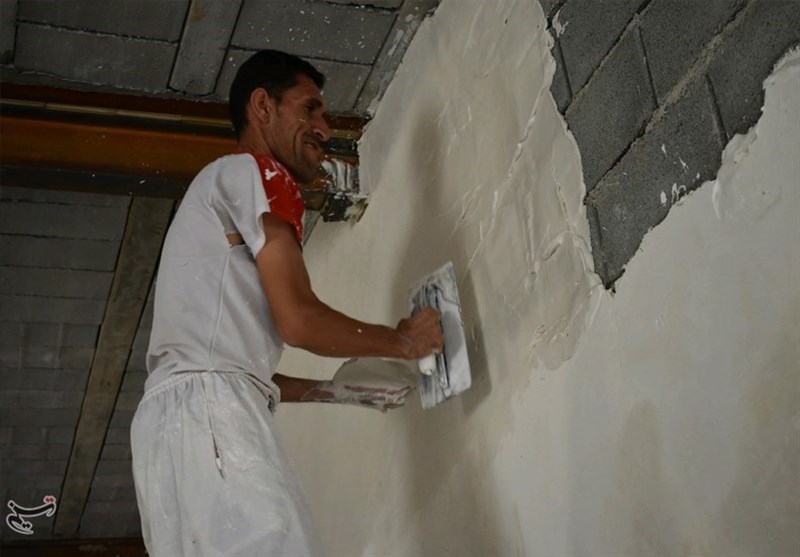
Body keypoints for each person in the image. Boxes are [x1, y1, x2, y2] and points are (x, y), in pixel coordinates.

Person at [130, 50, 443, 556]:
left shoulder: (217, 190)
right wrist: (405, 342)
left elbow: (234, 366)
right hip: (207, 414)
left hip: (170, 434)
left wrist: (338, 392)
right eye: (309, 108)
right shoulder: (258, 172)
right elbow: (298, 322)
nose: (324, 128)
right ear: (263, 106)